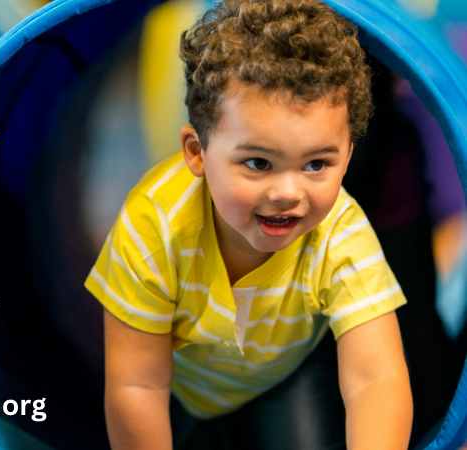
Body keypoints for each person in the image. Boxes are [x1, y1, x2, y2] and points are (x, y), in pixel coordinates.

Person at [84, 0, 413, 448]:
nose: (287, 193)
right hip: (177, 388)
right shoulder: (155, 225)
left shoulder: (340, 234)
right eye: (259, 162)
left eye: (316, 164)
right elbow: (136, 386)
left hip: (285, 378)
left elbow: (376, 379)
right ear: (197, 152)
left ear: (348, 156)